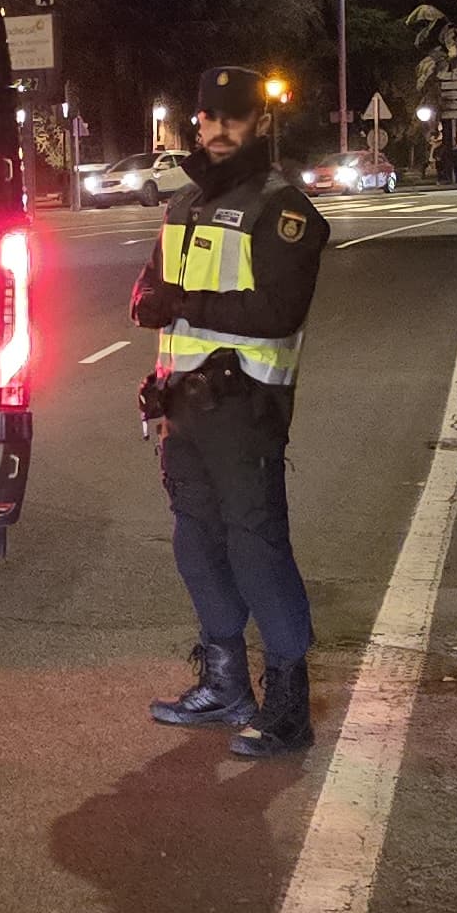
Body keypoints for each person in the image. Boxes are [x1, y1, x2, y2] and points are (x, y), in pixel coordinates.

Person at [133, 66, 334, 758]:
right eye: (209, 116)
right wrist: (149, 309)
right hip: (183, 407)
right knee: (196, 544)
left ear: (260, 124)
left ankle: (288, 702)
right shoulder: (183, 204)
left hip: (247, 407)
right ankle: (224, 682)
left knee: (256, 548)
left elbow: (278, 312)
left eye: (234, 117)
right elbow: (152, 293)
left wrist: (182, 303)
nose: (219, 129)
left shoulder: (284, 210)